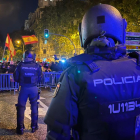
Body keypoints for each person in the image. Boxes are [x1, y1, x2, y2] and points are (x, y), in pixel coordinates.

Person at [44, 4, 140, 140]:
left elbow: (57, 131)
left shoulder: (75, 73)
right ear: (121, 29)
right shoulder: (137, 66)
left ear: (83, 31)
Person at [14, 50, 42, 135]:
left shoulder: (20, 65)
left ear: (24, 56)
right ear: (33, 56)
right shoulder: (37, 66)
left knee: (21, 108)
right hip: (33, 88)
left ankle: (20, 128)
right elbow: (40, 78)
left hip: (24, 89)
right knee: (34, 107)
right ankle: (34, 126)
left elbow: (15, 77)